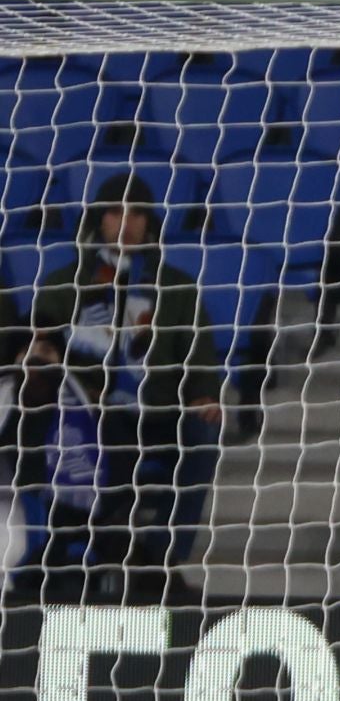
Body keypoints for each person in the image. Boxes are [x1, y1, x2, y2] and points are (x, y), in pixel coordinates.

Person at [24, 173, 222, 593]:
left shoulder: (179, 289)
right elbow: (40, 353)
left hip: (157, 411)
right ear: (99, 219)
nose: (126, 222)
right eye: (116, 211)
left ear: (150, 223)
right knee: (95, 429)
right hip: (81, 411)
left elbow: (199, 356)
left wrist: (205, 396)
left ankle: (161, 555)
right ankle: (82, 549)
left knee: (204, 430)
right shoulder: (63, 285)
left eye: (137, 213)